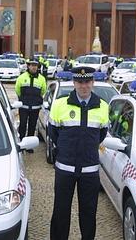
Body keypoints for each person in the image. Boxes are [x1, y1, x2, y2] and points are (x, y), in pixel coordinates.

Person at [48, 66, 110, 240]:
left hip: (90, 171)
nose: (84, 86)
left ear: (93, 83)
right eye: (80, 82)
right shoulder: (60, 104)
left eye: (87, 82)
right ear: (74, 83)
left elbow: (101, 134)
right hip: (65, 169)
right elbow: (53, 132)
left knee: (89, 214)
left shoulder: (103, 106)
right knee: (60, 211)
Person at [15, 59, 47, 150]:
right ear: (28, 66)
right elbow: (17, 90)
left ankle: (29, 146)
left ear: (37, 67)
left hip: (35, 107)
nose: (34, 67)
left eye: (35, 65)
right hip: (24, 107)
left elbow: (43, 91)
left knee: (32, 126)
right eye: (32, 65)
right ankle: (21, 143)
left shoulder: (41, 79)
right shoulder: (21, 77)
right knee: (23, 125)